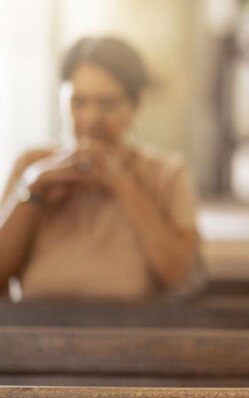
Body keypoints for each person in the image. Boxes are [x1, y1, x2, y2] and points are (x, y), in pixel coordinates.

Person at [0, 36, 201, 301]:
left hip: (134, 337)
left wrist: (124, 186)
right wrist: (34, 187)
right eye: (78, 102)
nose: (92, 118)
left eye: (107, 104)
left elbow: (179, 276)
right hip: (35, 336)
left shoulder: (166, 174)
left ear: (135, 105)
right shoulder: (32, 167)